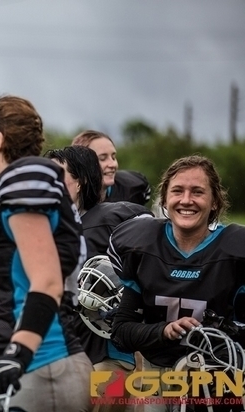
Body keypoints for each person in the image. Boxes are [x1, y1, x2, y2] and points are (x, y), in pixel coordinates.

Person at [0, 95, 92, 412]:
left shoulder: (22, 179)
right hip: (36, 366)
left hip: (42, 364)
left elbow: (48, 280)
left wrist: (17, 353)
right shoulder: (16, 184)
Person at [108, 155, 245, 411]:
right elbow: (121, 332)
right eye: (177, 191)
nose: (186, 200)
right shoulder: (142, 244)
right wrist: (164, 330)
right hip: (156, 375)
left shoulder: (235, 251)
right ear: (165, 198)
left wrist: (222, 336)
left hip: (217, 378)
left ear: (214, 201)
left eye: (197, 192)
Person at [44, 146, 153, 412]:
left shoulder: (111, 219)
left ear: (80, 181)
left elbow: (159, 249)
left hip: (109, 354)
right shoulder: (51, 227)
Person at [72, 130, 151, 206]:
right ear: (80, 164)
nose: (113, 164)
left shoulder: (134, 187)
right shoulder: (66, 196)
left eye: (113, 157)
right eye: (102, 158)